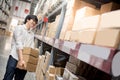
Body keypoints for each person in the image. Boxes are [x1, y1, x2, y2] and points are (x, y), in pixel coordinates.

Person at [3, 14, 38, 80]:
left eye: (35, 23)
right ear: (27, 19)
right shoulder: (19, 28)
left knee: (19, 78)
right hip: (14, 57)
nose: (34, 23)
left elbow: (31, 47)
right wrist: (21, 60)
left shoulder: (32, 34)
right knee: (8, 77)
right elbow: (19, 45)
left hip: (24, 60)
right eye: (33, 21)